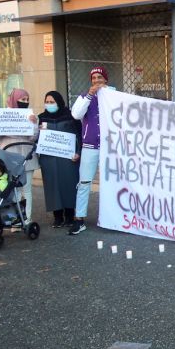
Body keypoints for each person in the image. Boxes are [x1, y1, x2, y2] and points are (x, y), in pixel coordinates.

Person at [0, 88, 39, 225]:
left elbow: (33, 137)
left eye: (27, 100)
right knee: (13, 190)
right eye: (23, 99)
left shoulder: (32, 116)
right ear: (14, 100)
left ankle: (26, 218)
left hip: (26, 158)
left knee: (26, 189)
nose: (26, 102)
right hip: (9, 158)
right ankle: (15, 218)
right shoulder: (3, 115)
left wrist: (34, 124)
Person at [68, 66, 108, 235]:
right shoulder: (84, 97)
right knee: (84, 182)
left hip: (109, 146)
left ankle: (112, 217)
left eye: (100, 77)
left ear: (106, 80)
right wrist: (90, 95)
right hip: (90, 146)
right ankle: (79, 218)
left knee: (111, 183)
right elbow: (76, 115)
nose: (97, 80)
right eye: (94, 78)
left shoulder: (113, 95)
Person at [37, 91, 82, 228]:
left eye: (52, 102)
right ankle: (57, 217)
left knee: (68, 184)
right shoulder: (41, 118)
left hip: (68, 158)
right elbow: (34, 138)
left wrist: (78, 152)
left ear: (59, 102)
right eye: (47, 102)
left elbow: (79, 135)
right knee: (53, 186)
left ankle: (69, 215)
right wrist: (35, 128)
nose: (49, 105)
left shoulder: (70, 116)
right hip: (49, 159)